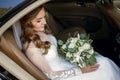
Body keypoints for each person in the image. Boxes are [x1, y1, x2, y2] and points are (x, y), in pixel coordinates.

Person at [20, 5, 120, 80]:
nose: (45, 22)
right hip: (62, 76)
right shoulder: (31, 47)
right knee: (103, 68)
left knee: (104, 62)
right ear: (28, 23)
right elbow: (51, 75)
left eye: (44, 17)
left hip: (66, 65)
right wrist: (80, 71)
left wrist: (75, 56)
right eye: (39, 20)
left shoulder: (41, 31)